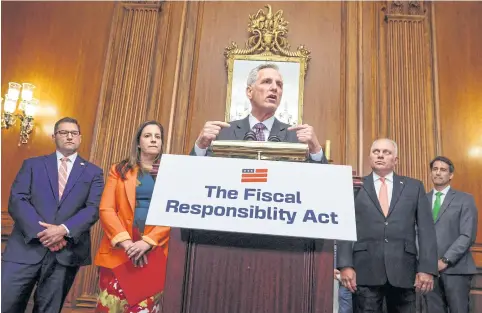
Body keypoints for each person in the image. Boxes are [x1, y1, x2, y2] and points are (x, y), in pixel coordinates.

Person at [1, 117, 104, 313]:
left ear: (80, 138)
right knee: (6, 305)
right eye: (64, 132)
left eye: (74, 133)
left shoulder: (94, 173)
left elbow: (93, 208)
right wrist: (47, 234)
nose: (69, 136)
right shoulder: (32, 165)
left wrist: (63, 231)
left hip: (65, 254)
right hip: (24, 249)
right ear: (54, 136)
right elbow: (17, 200)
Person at [337, 138, 438, 313]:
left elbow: (426, 230)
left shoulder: (414, 187)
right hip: (365, 270)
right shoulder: (354, 186)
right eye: (376, 151)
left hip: (404, 271)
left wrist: (427, 269)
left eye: (386, 152)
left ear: (395, 160)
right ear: (370, 157)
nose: (381, 155)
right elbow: (345, 227)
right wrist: (345, 265)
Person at [94, 120, 170, 313]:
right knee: (110, 307)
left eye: (157, 136)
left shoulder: (171, 172)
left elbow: (174, 213)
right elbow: (106, 209)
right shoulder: (119, 170)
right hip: (120, 252)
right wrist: (127, 244)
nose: (153, 140)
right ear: (138, 142)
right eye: (147, 136)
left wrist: (148, 242)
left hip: (153, 252)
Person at [191, 63, 328, 164]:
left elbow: (321, 184)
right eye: (267, 82)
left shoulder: (296, 136)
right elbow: (191, 177)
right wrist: (200, 146)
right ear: (249, 92)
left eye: (279, 84)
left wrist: (316, 149)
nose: (274, 88)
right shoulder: (223, 133)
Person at [424, 156, 478, 313]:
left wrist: (445, 260)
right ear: (431, 173)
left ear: (451, 175)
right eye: (435, 169)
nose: (438, 173)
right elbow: (416, 232)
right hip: (428, 271)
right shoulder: (422, 199)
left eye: (443, 170)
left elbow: (467, 235)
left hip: (457, 269)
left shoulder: (465, 199)